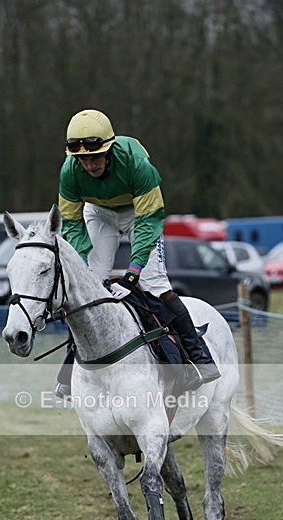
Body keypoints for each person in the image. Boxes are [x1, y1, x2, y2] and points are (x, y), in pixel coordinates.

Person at [56, 108, 220, 398]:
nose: (90, 165)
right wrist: (82, 261)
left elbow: (149, 220)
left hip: (139, 213)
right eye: (83, 160)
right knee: (89, 286)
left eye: (96, 157)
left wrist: (132, 274)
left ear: (109, 150)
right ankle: (71, 367)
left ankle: (199, 358)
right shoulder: (69, 172)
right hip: (99, 213)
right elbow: (71, 223)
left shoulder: (136, 164)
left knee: (155, 283)